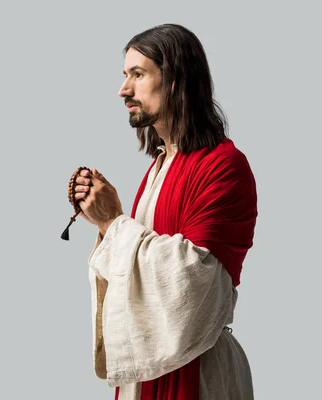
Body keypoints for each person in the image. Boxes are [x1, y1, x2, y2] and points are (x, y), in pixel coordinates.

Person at [72, 24, 258, 400]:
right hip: (150, 371)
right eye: (126, 76)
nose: (124, 90)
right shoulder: (158, 169)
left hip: (200, 370)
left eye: (138, 75)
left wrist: (113, 222)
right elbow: (131, 279)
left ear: (175, 80)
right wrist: (105, 223)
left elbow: (195, 282)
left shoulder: (224, 166)